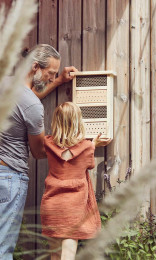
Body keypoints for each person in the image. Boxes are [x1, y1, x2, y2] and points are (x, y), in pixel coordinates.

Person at [0, 44, 78, 259]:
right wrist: (64, 144)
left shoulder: (2, 85)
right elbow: (39, 151)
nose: (52, 78)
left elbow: (26, 102)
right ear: (35, 67)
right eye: (51, 73)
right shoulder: (32, 105)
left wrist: (60, 82)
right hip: (10, 176)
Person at [41, 102, 110, 260]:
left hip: (52, 205)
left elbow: (63, 152)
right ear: (78, 121)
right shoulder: (87, 147)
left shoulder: (48, 143)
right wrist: (93, 144)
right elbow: (90, 164)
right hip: (73, 206)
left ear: (56, 122)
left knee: (56, 255)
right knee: (68, 255)